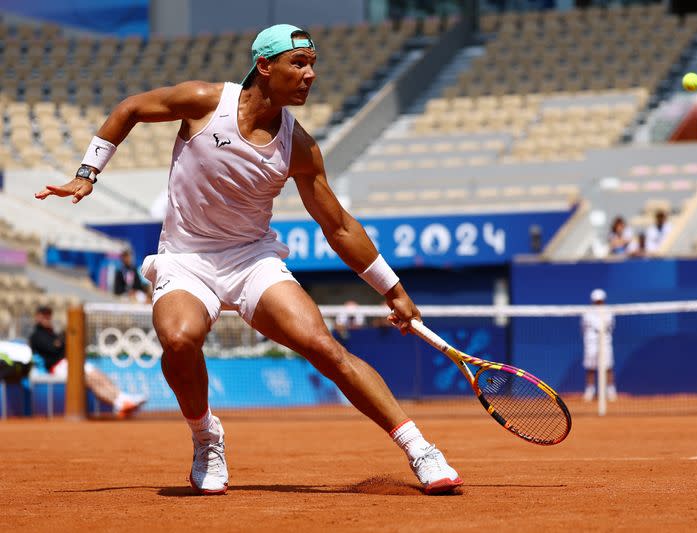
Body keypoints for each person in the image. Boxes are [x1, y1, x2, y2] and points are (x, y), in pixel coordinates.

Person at [35, 24, 462, 496]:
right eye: (298, 64)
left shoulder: (299, 147)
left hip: (251, 259)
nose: (310, 75)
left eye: (312, 64)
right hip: (186, 257)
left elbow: (338, 225)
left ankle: (420, 447)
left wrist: (394, 291)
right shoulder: (203, 102)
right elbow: (130, 108)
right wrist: (87, 172)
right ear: (265, 66)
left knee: (322, 346)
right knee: (178, 340)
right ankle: (206, 437)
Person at [28, 306, 147, 417]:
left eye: (48, 315)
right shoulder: (36, 335)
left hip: (71, 362)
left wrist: (61, 342)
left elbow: (62, 346)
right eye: (44, 315)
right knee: (89, 379)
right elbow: (54, 348)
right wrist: (61, 341)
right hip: (57, 367)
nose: (47, 318)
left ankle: (123, 398)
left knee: (98, 375)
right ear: (38, 317)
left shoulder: (52, 333)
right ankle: (118, 403)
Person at [581, 289, 617, 402]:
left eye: (600, 301)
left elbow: (611, 327)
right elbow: (583, 328)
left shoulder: (609, 312)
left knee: (608, 367)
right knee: (590, 367)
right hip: (591, 343)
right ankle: (590, 391)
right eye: (596, 301)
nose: (598, 303)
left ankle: (611, 391)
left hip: (605, 343)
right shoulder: (587, 312)